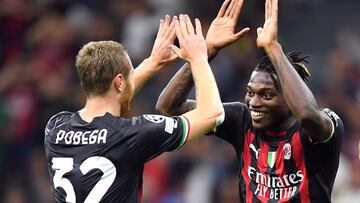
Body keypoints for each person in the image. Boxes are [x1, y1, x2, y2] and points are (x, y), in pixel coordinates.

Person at [156, 0, 344, 202]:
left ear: (289, 97)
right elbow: (168, 108)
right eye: (250, 92)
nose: (253, 102)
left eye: (266, 95)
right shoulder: (241, 119)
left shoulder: (322, 126)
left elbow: (306, 115)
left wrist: (273, 48)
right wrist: (205, 52)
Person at [44, 14, 224, 202]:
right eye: (131, 73)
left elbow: (109, 96)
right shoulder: (132, 133)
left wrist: (152, 63)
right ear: (119, 82)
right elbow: (213, 114)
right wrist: (200, 58)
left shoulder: (55, 128)